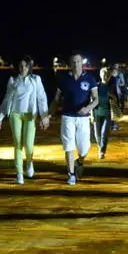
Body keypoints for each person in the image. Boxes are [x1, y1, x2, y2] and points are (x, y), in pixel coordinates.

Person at [0, 55, 50, 185]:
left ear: (29, 67)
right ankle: (19, 173)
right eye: (20, 66)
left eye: (25, 65)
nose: (23, 68)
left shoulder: (35, 79)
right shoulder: (13, 80)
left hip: (30, 115)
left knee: (28, 144)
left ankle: (29, 163)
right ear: (17, 67)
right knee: (18, 144)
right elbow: (7, 99)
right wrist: (0, 117)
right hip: (15, 114)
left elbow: (42, 98)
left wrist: (44, 116)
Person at [49, 51, 99, 185]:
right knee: (69, 146)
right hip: (67, 117)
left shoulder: (90, 79)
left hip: (83, 118)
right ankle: (70, 174)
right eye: (73, 62)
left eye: (78, 61)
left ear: (82, 63)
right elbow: (56, 99)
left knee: (84, 148)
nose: (76, 64)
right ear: (69, 64)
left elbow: (96, 100)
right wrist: (49, 114)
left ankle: (80, 161)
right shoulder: (63, 79)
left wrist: (88, 108)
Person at [92, 67, 116, 160]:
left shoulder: (111, 87)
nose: (106, 76)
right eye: (104, 74)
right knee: (97, 134)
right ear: (100, 75)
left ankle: (102, 151)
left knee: (104, 133)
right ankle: (100, 146)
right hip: (97, 113)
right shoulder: (96, 86)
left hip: (107, 114)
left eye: (107, 75)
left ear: (109, 77)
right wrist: (91, 114)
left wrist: (111, 95)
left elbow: (116, 99)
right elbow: (92, 101)